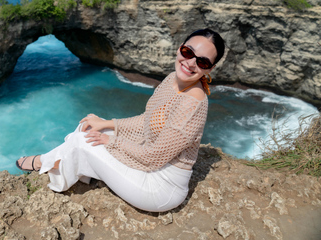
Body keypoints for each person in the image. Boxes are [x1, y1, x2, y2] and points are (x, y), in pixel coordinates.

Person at [16, 28, 225, 212]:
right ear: (180, 48)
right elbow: (148, 120)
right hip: (150, 160)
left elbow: (154, 157)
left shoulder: (192, 103)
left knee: (83, 142)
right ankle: (73, 165)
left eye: (202, 61)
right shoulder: (173, 78)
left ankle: (44, 162)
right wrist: (107, 124)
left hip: (160, 186)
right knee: (87, 126)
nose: (190, 63)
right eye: (188, 52)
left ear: (210, 69)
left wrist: (111, 141)